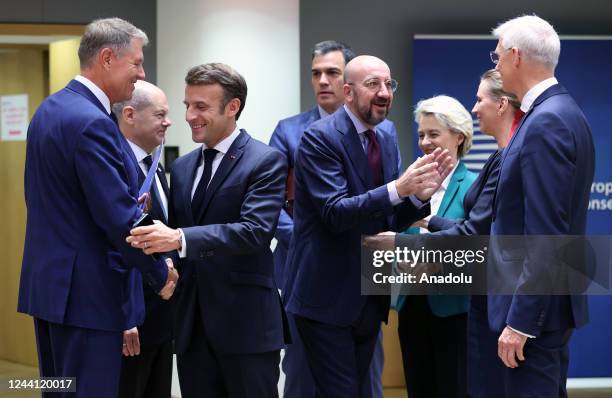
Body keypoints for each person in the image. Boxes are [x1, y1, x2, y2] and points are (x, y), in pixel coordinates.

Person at [18, 18, 177, 398]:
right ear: (107, 58)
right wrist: (160, 273)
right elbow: (118, 219)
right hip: (88, 298)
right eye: (136, 63)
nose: (141, 74)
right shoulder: (93, 122)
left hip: (52, 292)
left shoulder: (49, 109)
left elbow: (67, 202)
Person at [283, 54, 453, 397]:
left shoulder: (386, 136)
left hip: (368, 296)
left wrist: (419, 198)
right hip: (325, 299)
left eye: (389, 84)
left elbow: (386, 218)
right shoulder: (319, 138)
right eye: (373, 84)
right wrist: (398, 188)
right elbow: (335, 213)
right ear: (348, 92)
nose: (385, 92)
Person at [127, 63, 289, 398]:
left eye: (201, 106)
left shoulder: (265, 161)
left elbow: (254, 231)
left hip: (246, 328)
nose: (189, 115)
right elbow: (175, 234)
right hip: (191, 330)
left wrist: (179, 239)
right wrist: (168, 260)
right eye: (187, 105)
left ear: (233, 107)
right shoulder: (183, 167)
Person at [269, 40, 388, 398]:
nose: (323, 81)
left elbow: (383, 203)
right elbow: (270, 203)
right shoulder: (291, 131)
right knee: (302, 374)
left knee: (365, 379)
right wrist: (309, 236)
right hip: (308, 270)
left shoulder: (384, 133)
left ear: (350, 81)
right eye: (316, 73)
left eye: (332, 73)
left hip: (366, 273)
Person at [488, 15, 594, 397]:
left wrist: (521, 321)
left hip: (534, 316)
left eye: (497, 55)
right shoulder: (560, 112)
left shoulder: (547, 120)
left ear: (515, 56)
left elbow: (545, 233)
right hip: (544, 308)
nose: (495, 63)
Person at [397, 95, 476, 398]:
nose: (425, 142)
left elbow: (475, 244)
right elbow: (396, 237)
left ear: (459, 137)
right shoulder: (408, 184)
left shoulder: (474, 185)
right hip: (412, 305)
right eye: (421, 135)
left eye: (433, 133)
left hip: (455, 310)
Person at [113, 80, 174, 398]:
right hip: (131, 322)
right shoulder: (113, 167)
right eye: (161, 114)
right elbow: (112, 246)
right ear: (130, 114)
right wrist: (125, 316)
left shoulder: (155, 164)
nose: (169, 121)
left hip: (161, 319)